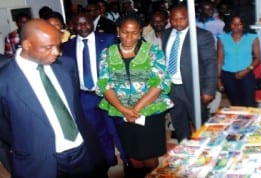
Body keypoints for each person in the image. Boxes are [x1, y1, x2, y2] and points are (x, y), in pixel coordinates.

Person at [0, 19, 109, 178]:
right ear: (27, 45)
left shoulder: (66, 65)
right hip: (40, 160)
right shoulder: (4, 80)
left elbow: (75, 108)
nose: (56, 52)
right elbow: (4, 127)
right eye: (48, 47)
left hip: (83, 151)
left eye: (58, 45)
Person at [97, 12, 173, 178]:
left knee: (149, 155)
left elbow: (159, 82)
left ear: (140, 33)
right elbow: (105, 84)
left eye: (135, 33)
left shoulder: (153, 51)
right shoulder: (107, 54)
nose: (130, 37)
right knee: (132, 154)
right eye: (125, 32)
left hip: (149, 110)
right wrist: (123, 109)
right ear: (118, 30)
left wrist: (135, 109)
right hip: (120, 111)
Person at [61, 12, 123, 168]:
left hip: (109, 94)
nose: (83, 27)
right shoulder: (68, 46)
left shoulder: (108, 40)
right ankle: (108, 159)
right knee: (97, 131)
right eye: (79, 24)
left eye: (86, 23)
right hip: (85, 96)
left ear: (92, 23)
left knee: (116, 128)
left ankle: (127, 159)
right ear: (72, 26)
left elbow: (118, 67)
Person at [161, 3, 217, 142]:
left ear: (190, 17)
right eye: (174, 19)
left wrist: (209, 90)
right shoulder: (166, 34)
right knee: (178, 121)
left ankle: (205, 149)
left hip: (194, 87)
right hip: (172, 87)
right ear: (169, 19)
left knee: (200, 123)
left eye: (182, 18)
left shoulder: (202, 35)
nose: (178, 22)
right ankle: (184, 148)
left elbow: (210, 63)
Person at [217, 14, 261, 107]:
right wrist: (217, 78)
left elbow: (258, 58)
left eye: (239, 24)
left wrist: (246, 70)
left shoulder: (252, 38)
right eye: (233, 23)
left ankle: (252, 121)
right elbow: (220, 60)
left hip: (247, 74)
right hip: (228, 76)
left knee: (250, 103)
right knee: (236, 104)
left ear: (243, 25)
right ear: (230, 24)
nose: (236, 26)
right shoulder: (222, 38)